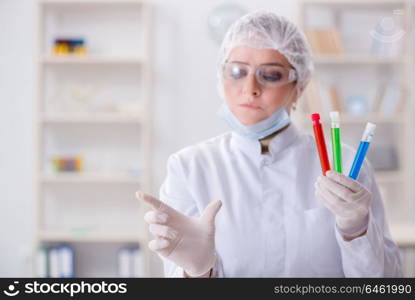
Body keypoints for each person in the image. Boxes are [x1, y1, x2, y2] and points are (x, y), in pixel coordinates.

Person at [136, 10, 403, 277]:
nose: (250, 87)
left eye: (271, 75)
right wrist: (197, 272)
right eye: (238, 71)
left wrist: (356, 229)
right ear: (221, 76)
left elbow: (386, 283)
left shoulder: (345, 164)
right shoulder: (189, 167)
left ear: (298, 87)